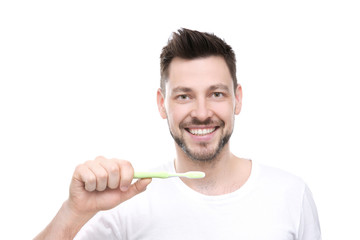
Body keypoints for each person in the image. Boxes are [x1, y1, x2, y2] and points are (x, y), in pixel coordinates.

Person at [35, 28, 321, 240]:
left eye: (216, 94)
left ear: (238, 98)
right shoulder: (126, 205)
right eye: (184, 96)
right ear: (162, 104)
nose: (201, 112)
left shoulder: (290, 196)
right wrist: (74, 213)